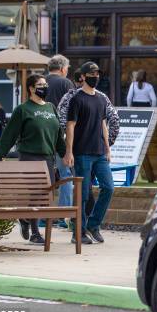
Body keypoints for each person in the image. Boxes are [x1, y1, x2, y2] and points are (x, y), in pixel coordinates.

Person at [0, 74, 66, 245]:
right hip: (29, 156)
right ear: (31, 88)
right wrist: (0, 155)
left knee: (44, 194)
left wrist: (66, 154)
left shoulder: (51, 107)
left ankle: (26, 218)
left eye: (45, 84)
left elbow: (58, 135)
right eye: (40, 84)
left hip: (48, 158)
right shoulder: (23, 109)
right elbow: (10, 133)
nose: (44, 87)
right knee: (37, 195)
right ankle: (35, 232)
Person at [58, 68, 120, 225]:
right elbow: (69, 125)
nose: (95, 77)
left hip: (100, 152)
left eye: (97, 74)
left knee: (108, 188)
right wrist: (69, 151)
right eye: (92, 75)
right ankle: (79, 230)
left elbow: (104, 124)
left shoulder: (101, 98)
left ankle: (93, 225)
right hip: (82, 152)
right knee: (84, 194)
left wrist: (108, 148)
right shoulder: (75, 98)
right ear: (83, 77)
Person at [46, 55, 75, 227]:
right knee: (66, 175)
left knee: (44, 176)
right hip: (61, 135)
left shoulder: (40, 82)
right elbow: (72, 111)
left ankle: (42, 217)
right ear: (63, 68)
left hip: (42, 135)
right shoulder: (66, 84)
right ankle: (63, 216)